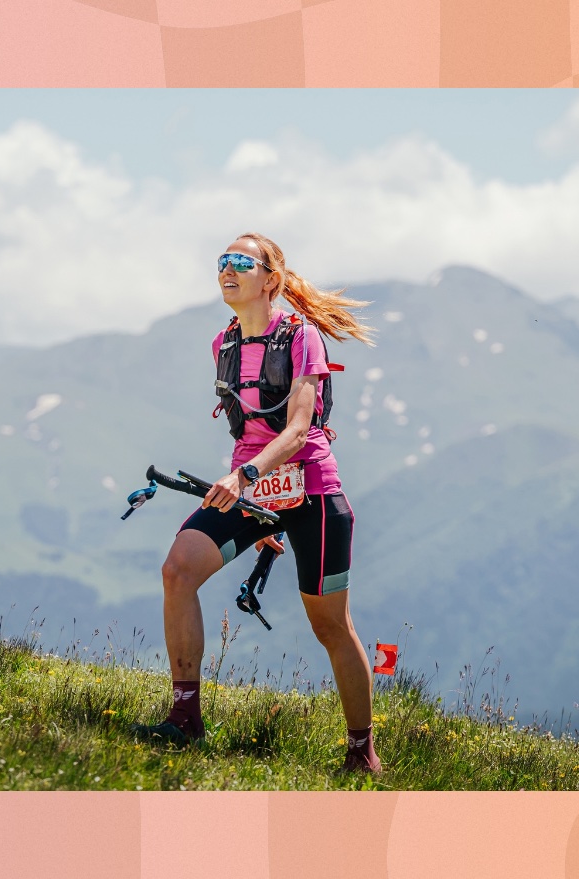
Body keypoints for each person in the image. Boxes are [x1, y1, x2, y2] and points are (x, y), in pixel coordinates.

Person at [132, 232, 381, 773]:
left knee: (331, 626)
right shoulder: (221, 345)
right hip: (253, 489)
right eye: (222, 261)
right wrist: (253, 494)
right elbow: (247, 430)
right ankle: (184, 718)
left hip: (312, 491)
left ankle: (362, 753)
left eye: (241, 262)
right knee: (178, 571)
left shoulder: (302, 338)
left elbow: (296, 431)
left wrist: (245, 477)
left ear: (270, 279)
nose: (227, 269)